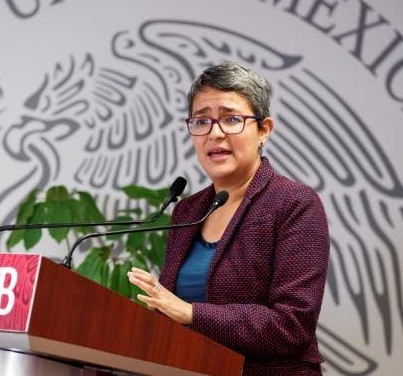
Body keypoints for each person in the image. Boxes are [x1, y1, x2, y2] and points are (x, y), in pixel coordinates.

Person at [127, 62, 330, 375]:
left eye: (231, 119)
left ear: (264, 130)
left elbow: (293, 325)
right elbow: (172, 317)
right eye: (202, 121)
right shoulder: (188, 211)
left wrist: (192, 313)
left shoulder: (295, 204)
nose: (215, 133)